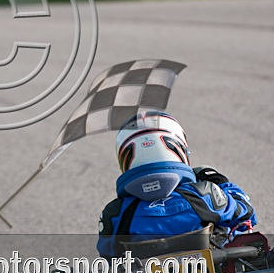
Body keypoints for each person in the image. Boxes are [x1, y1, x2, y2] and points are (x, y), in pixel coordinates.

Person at [97, 110, 257, 259]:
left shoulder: (116, 212)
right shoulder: (205, 193)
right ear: (176, 147)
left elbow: (107, 254)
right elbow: (246, 212)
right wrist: (222, 184)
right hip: (211, 272)